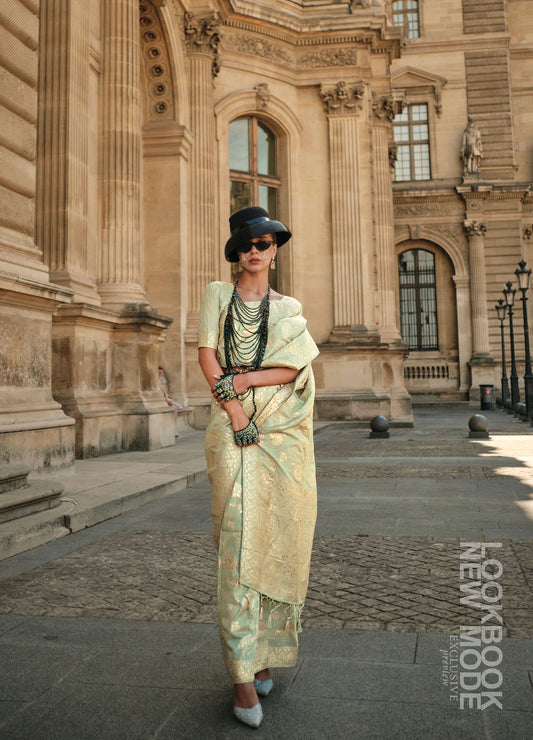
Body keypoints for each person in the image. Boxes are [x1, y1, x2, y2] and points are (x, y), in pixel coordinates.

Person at [197, 207, 319, 728]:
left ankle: (263, 653)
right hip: (230, 425)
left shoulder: (288, 307)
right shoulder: (216, 295)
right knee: (236, 539)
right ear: (237, 250)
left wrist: (246, 383)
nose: (256, 250)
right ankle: (241, 677)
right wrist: (234, 408)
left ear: (275, 252)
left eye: (265, 243)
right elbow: (207, 355)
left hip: (280, 431)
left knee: (277, 536)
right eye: (247, 242)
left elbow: (295, 367)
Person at [158, 366, 182, 437]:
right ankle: (173, 430)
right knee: (174, 408)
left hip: (163, 397)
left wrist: (166, 396)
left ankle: (173, 429)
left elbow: (162, 391)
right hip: (160, 399)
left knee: (174, 408)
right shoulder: (154, 381)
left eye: (161, 373)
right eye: (159, 373)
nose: (160, 374)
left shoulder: (158, 380)